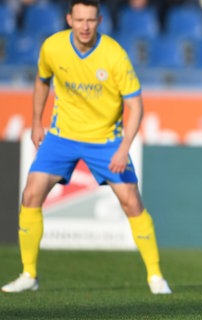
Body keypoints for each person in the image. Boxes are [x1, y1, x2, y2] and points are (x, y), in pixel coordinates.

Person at [1, 0, 171, 295]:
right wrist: (36, 121)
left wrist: (123, 147)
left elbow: (135, 105)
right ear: (69, 18)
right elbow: (42, 81)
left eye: (90, 20)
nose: (84, 26)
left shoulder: (114, 55)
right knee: (30, 194)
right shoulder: (52, 47)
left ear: (99, 20)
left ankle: (156, 277)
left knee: (131, 201)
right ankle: (29, 274)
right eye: (79, 19)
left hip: (105, 140)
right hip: (61, 136)